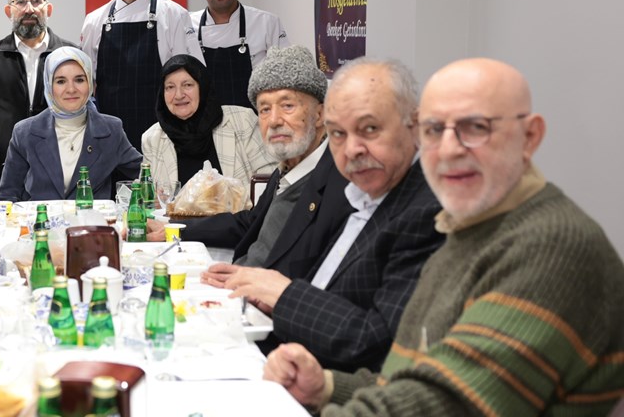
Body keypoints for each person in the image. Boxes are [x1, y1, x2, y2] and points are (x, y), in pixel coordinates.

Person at [264, 58, 624, 416]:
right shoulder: (467, 229)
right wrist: (327, 387)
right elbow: (418, 377)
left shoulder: (551, 245)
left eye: (476, 127)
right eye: (435, 130)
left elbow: (449, 404)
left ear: (529, 137)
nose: (449, 149)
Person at [204, 57, 445, 371]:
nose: (352, 149)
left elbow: (378, 343)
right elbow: (331, 296)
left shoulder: (425, 212)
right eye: (339, 134)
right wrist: (272, 299)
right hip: (287, 351)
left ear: (416, 126)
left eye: (370, 128)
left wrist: (284, 295)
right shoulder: (362, 193)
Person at [147, 46, 329, 261]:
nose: (274, 121)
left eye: (287, 106)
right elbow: (250, 223)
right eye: (265, 109)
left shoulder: (336, 182)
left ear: (320, 115)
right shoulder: (284, 172)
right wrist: (175, 229)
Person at [80, 0, 204, 150]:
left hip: (163, 137)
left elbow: (194, 80)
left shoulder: (175, 15)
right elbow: (86, 87)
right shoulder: (94, 21)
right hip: (109, 140)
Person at [0, 0, 75, 201]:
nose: (29, 9)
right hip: (6, 167)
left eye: (36, 1)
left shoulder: (69, 54)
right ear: (9, 10)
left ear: (48, 9)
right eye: (21, 1)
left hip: (60, 165)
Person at [0, 47, 142, 202]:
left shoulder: (111, 130)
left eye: (79, 80)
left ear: (90, 84)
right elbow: (7, 195)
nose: (71, 89)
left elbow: (145, 174)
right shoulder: (24, 132)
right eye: (61, 81)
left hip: (91, 217)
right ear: (49, 85)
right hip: (40, 217)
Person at [142, 53, 275, 191]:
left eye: (187, 85)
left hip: (242, 206)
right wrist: (153, 199)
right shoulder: (152, 139)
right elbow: (146, 194)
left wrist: (228, 199)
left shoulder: (242, 121)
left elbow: (270, 180)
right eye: (170, 87)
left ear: (202, 86)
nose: (179, 95)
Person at [190, 0, 289, 107]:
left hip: (255, 120)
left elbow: (286, 81)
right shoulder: (187, 26)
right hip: (203, 120)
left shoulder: (267, 23)